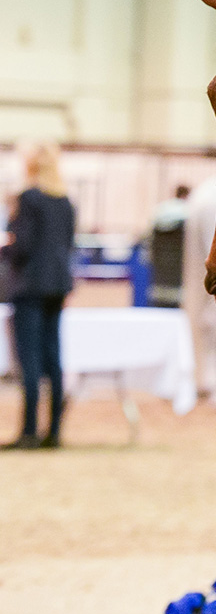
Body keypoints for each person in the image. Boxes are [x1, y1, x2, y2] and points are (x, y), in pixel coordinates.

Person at [1, 141, 76, 450]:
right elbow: (68, 244)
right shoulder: (65, 201)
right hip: (57, 285)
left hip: (30, 286)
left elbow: (23, 247)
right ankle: (54, 432)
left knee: (29, 360)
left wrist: (6, 245)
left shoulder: (28, 199)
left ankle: (29, 432)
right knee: (53, 359)